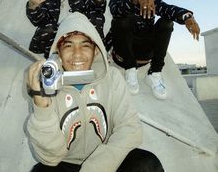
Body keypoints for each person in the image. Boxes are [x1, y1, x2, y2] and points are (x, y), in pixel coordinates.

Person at [26, 12, 165, 172]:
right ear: (59, 51)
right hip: (65, 163)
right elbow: (51, 157)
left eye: (85, 45)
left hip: (105, 162)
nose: (77, 53)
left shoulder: (112, 78)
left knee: (146, 164)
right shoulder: (45, 85)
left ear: (96, 51)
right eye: (68, 45)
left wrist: (95, 168)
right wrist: (41, 106)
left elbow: (130, 128)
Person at [106, 0, 200, 99]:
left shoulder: (152, 0)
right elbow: (116, 10)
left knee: (167, 22)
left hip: (145, 50)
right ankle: (130, 71)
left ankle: (154, 73)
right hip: (125, 52)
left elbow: (168, 9)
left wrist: (187, 17)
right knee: (122, 20)